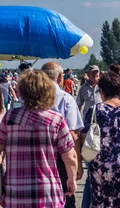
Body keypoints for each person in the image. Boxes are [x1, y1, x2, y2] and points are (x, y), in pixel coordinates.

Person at [0, 69, 78, 208]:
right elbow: (70, 157)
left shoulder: (10, 117)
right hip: (47, 193)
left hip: (15, 193)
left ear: (22, 91)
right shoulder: (56, 119)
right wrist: (71, 181)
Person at [42, 62, 84, 208]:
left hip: (37, 156)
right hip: (61, 157)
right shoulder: (66, 99)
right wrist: (77, 163)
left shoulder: (28, 98)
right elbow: (73, 135)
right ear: (60, 77)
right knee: (65, 197)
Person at [79, 70, 120, 208]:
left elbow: (84, 137)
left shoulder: (95, 110)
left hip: (100, 164)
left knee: (100, 200)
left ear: (101, 91)